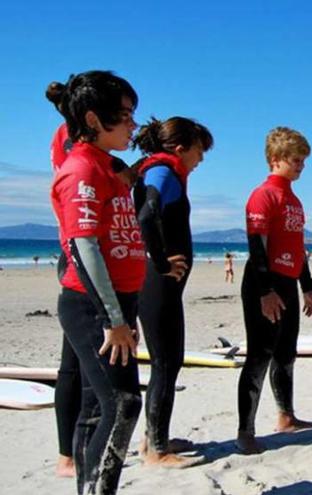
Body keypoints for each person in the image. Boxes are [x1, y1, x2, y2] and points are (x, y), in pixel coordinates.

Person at [48, 70, 145, 495]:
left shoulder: (108, 167)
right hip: (90, 305)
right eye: (124, 116)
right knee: (123, 403)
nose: (132, 125)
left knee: (94, 406)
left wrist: (125, 311)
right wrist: (113, 318)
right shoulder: (82, 169)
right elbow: (82, 247)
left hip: (117, 303)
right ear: (92, 119)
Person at [132, 116, 213, 467]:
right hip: (156, 282)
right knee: (166, 362)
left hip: (160, 283)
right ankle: (157, 450)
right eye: (199, 151)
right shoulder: (162, 172)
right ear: (180, 149)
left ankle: (153, 439)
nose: (201, 160)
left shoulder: (162, 171)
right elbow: (146, 216)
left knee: (169, 361)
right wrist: (161, 261)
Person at [236, 127, 312, 454]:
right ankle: (245, 431)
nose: (301, 165)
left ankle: (286, 416)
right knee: (259, 356)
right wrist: (265, 291)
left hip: (287, 282)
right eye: (296, 159)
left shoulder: (294, 200)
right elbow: (257, 245)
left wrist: (308, 287)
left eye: (303, 160)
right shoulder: (264, 195)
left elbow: (296, 248)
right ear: (275, 160)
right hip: (263, 282)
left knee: (286, 354)